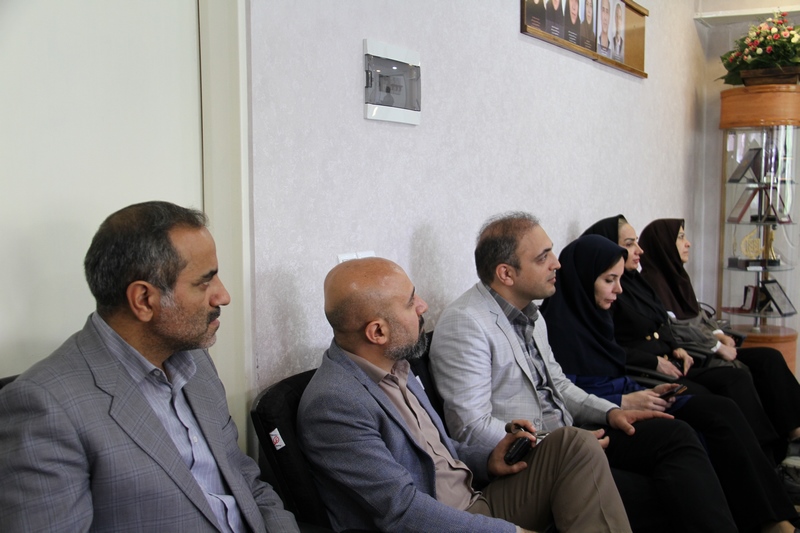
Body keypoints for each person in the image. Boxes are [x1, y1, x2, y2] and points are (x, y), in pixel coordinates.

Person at [0, 201, 299, 532]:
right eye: (204, 282)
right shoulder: (45, 407)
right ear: (143, 300)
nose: (223, 296)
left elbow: (244, 480)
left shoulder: (195, 362)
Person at [430, 212, 737, 533]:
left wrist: (611, 412)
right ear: (506, 273)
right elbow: (472, 429)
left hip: (574, 434)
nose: (557, 263)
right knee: (668, 493)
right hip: (535, 459)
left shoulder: (531, 314)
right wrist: (561, 443)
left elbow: (559, 385)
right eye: (543, 257)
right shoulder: (467, 322)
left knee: (676, 436)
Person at [298, 257, 633, 533]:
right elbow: (402, 512)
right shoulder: (334, 404)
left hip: (474, 499)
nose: (423, 306)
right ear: (378, 332)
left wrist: (487, 458)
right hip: (444, 522)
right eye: (411, 302)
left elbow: (434, 452)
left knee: (575, 443)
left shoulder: (395, 363)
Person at [540, 234, 798, 533]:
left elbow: (615, 369)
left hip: (630, 394)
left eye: (619, 280)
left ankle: (773, 517)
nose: (619, 290)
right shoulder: (554, 328)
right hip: (604, 412)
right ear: (584, 279)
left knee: (721, 409)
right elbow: (564, 392)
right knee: (701, 423)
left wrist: (641, 392)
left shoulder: (596, 317)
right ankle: (767, 521)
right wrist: (623, 400)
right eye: (610, 280)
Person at [583, 214, 792, 464]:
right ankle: (763, 458)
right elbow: (614, 349)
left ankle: (773, 451)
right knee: (723, 390)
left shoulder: (637, 282)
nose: (639, 250)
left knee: (754, 368)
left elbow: (664, 321)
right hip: (649, 373)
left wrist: (676, 347)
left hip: (675, 360)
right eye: (629, 244)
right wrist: (664, 358)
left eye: (637, 241)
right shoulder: (612, 292)